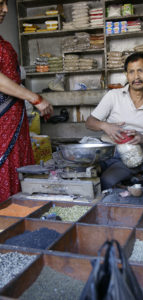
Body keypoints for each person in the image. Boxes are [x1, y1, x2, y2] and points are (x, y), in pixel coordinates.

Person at [86, 51, 143, 190]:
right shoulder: (113, 96)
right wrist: (105, 126)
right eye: (131, 72)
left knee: (106, 182)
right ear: (126, 75)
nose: (136, 77)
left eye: (140, 71)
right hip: (106, 152)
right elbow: (89, 122)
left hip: (131, 157)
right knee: (84, 177)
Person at [0, 0, 53, 202]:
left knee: (17, 170)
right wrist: (35, 98)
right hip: (2, 126)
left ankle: (16, 223)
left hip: (13, 123)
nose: (5, 9)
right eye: (1, 3)